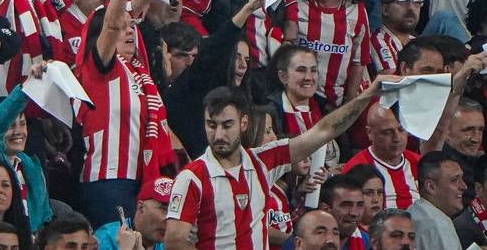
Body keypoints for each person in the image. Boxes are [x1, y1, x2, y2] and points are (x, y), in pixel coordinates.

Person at [167, 80, 392, 250]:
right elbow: (175, 242)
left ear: (244, 123)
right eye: (211, 125)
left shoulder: (263, 161)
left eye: (227, 125)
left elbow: (324, 131)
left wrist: (369, 94)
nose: (218, 135)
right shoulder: (192, 177)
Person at [409, 151, 467, 250]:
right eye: (454, 180)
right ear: (431, 187)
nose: (464, 186)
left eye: (462, 178)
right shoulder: (437, 225)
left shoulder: (415, 211)